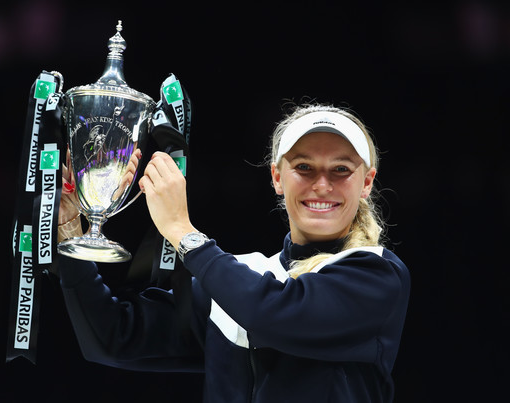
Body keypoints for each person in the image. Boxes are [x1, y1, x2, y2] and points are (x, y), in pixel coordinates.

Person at [55, 103, 410, 403]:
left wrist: (183, 232)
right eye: (303, 167)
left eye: (341, 170)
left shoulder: (376, 274)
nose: (321, 184)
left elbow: (273, 313)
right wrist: (72, 233)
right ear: (276, 177)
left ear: (366, 183)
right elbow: (112, 337)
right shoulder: (242, 277)